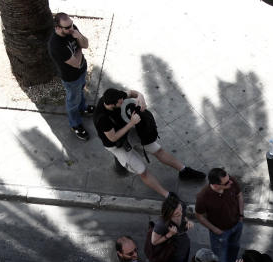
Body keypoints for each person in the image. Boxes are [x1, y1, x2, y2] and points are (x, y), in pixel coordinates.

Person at [93, 88, 205, 198]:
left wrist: (140, 97)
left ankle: (184, 170)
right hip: (117, 144)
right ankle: (167, 195)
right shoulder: (102, 119)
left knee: (158, 150)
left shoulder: (115, 96)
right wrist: (132, 123)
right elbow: (113, 137)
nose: (123, 101)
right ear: (112, 105)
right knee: (142, 170)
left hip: (128, 133)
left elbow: (133, 93)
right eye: (120, 102)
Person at [48, 12, 95, 141]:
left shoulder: (72, 30)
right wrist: (79, 50)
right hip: (71, 78)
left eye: (71, 25)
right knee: (73, 100)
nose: (71, 29)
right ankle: (76, 124)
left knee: (80, 92)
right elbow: (76, 63)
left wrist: (78, 36)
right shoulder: (56, 45)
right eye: (67, 27)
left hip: (82, 71)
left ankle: (83, 108)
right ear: (57, 28)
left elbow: (85, 44)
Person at [195, 168, 244, 262]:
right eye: (226, 183)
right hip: (220, 233)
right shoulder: (203, 197)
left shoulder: (231, 181)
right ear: (216, 185)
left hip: (237, 225)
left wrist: (241, 216)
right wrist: (214, 229)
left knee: (234, 248)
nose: (230, 182)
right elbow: (199, 216)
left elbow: (239, 195)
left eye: (229, 177)